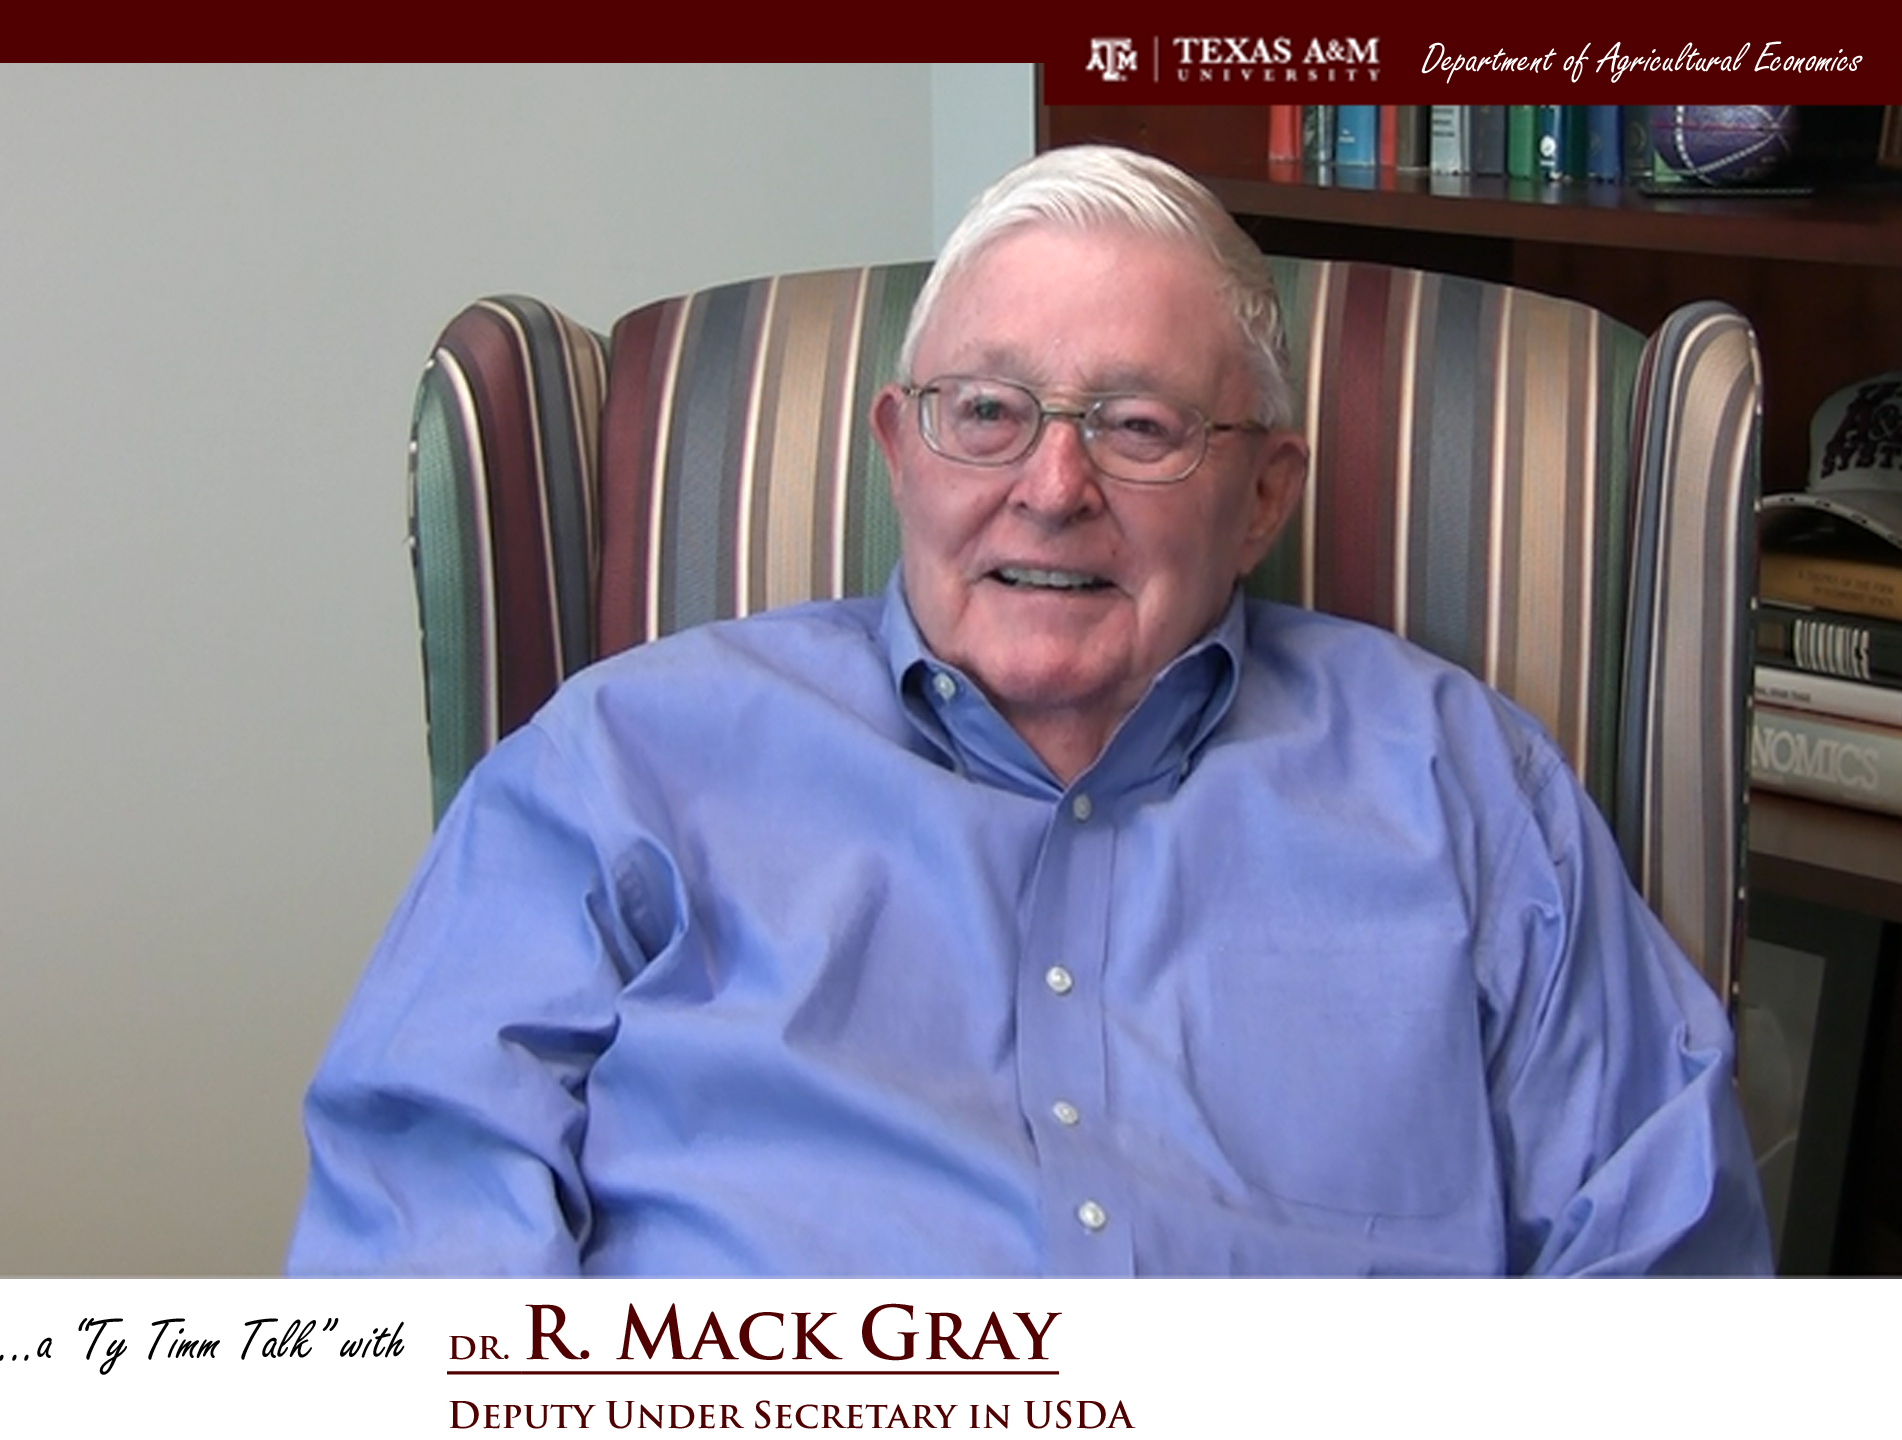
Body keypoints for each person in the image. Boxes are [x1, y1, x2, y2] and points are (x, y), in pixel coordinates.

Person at [288, 145, 1771, 1277]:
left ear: (1265, 495)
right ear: (900, 450)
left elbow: (1667, 1272)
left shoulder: (1463, 786)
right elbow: (420, 1264)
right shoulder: (618, 767)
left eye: (1137, 426)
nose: (1051, 491)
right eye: (986, 412)